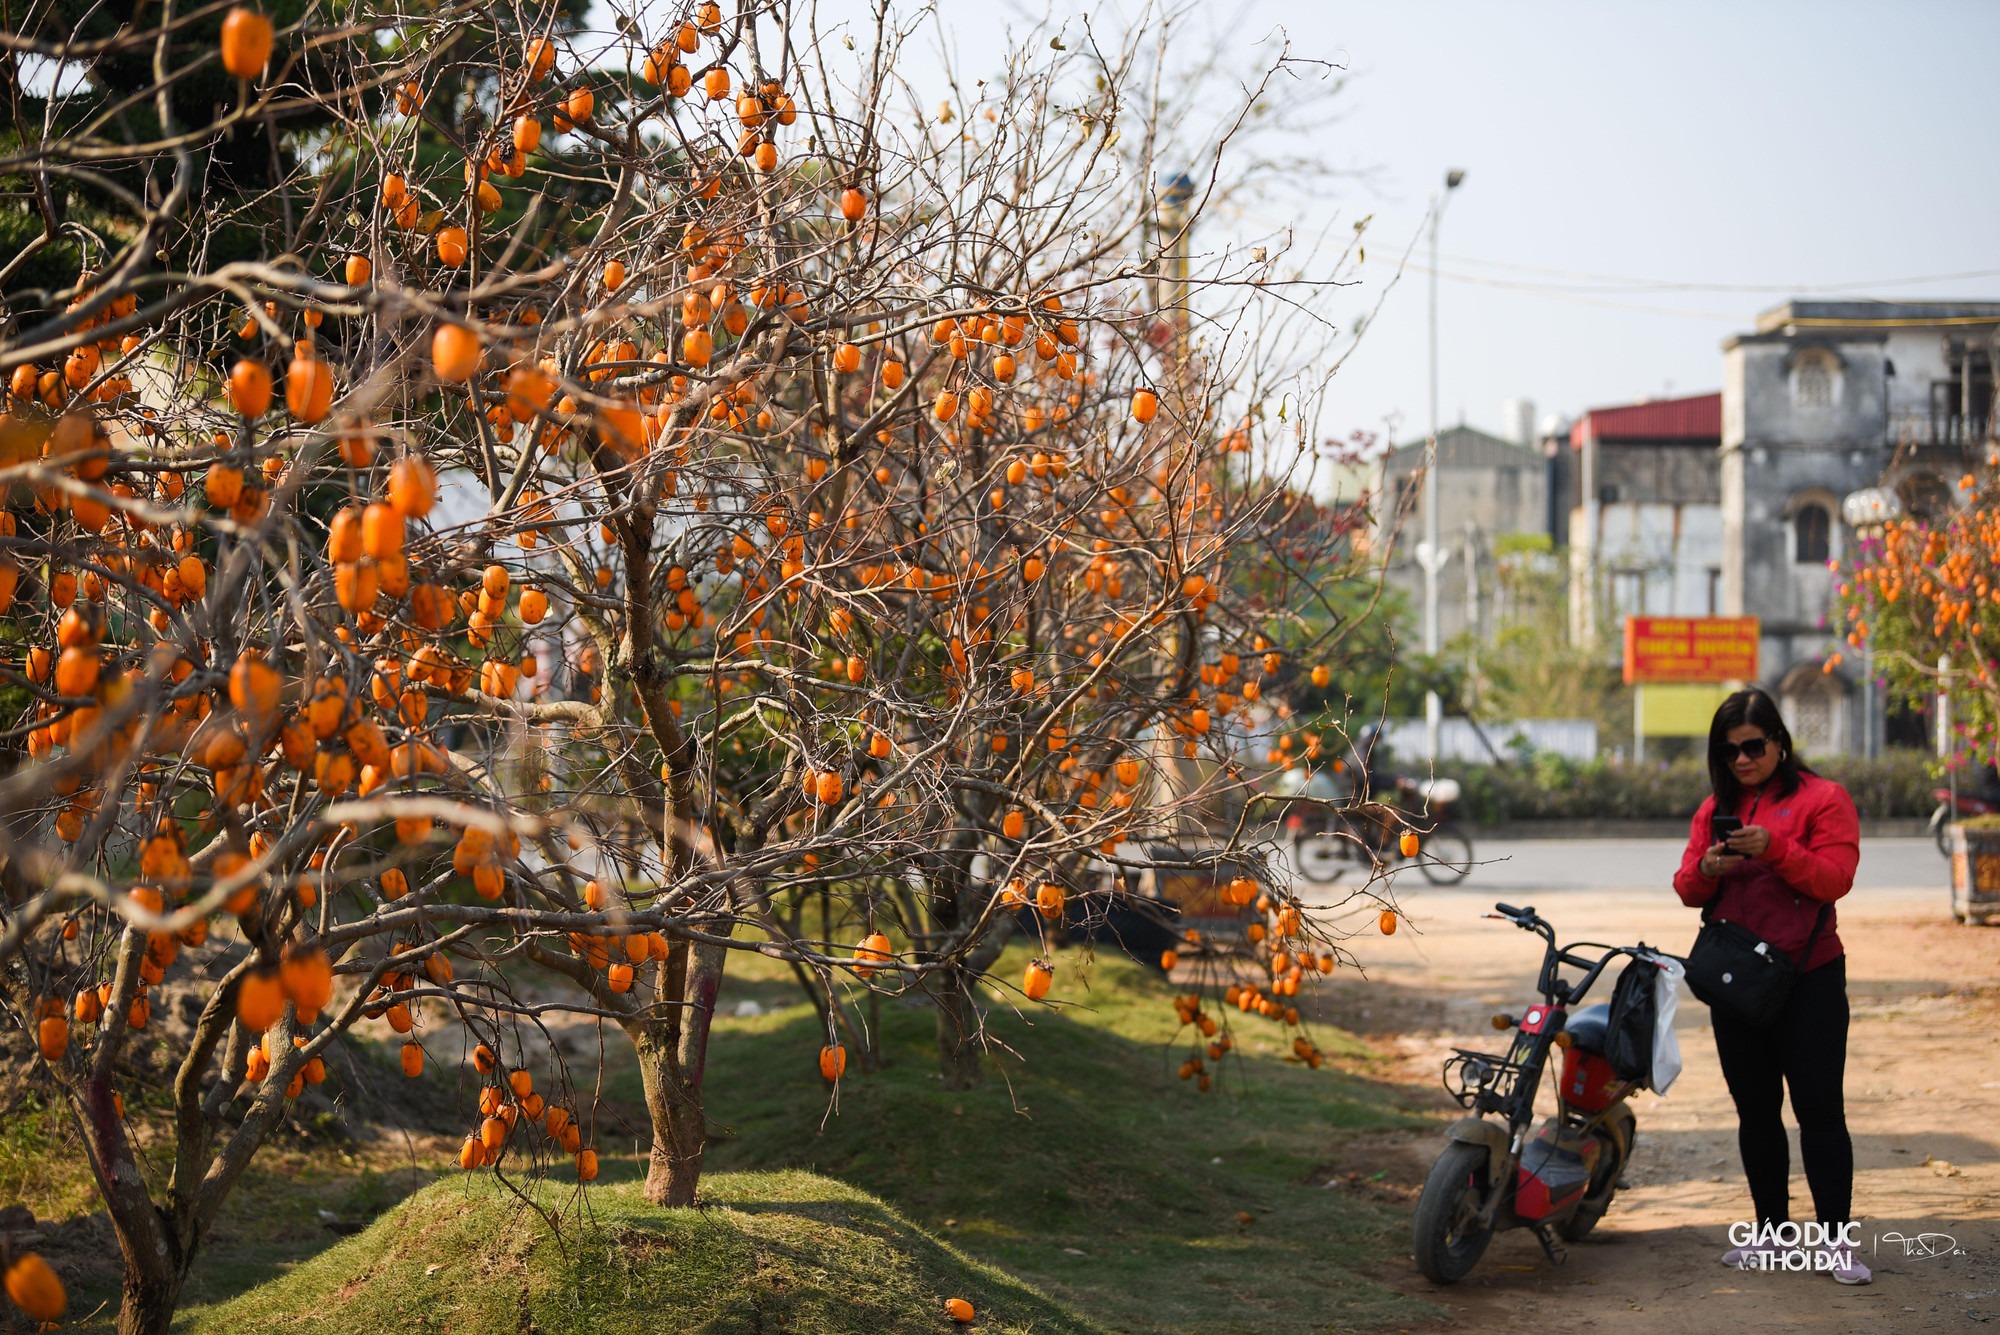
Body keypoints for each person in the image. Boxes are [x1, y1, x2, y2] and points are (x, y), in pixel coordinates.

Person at [1672, 688, 1866, 1284]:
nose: (1742, 760)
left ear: (1780, 742)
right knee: (1756, 1113)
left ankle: (1836, 1243)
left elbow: (1834, 879)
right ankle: (1773, 1233)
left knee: (1819, 1112)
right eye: (1728, 751)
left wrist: (1776, 848)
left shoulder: (1825, 799)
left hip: (1808, 979)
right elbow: (1685, 887)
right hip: (1738, 985)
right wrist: (1708, 868)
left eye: (1753, 746)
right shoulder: (1715, 808)